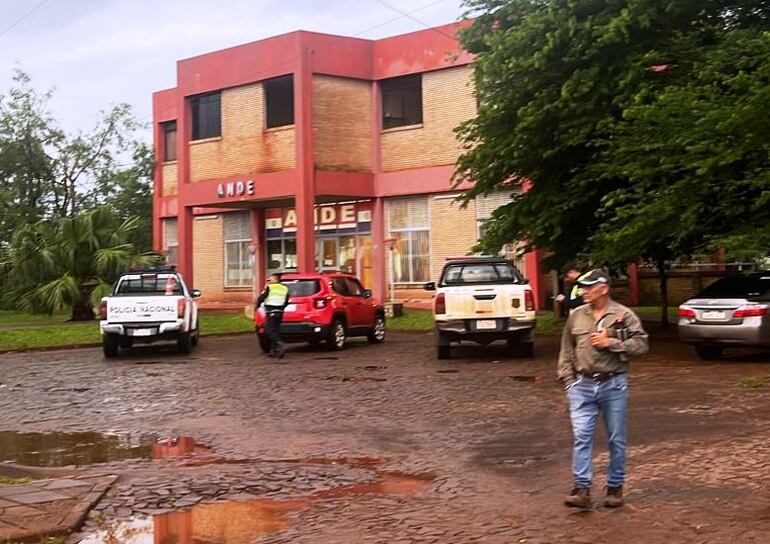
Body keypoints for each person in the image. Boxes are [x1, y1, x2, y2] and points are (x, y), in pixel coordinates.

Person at [557, 269, 649, 509]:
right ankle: (582, 489)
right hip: (582, 385)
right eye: (582, 287)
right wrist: (568, 380)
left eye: (588, 287)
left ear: (604, 288)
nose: (583, 291)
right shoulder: (576, 315)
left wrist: (611, 342)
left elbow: (641, 345)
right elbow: (566, 349)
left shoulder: (623, 315)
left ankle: (615, 488)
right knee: (581, 437)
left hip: (613, 384)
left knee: (616, 438)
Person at [256, 273, 290, 358]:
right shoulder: (284, 288)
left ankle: (280, 344)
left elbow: (261, 298)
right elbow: (286, 301)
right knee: (276, 330)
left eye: (271, 279)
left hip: (271, 311)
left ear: (275, 279)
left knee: (270, 331)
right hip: (280, 312)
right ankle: (274, 351)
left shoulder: (270, 287)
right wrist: (282, 308)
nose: (269, 280)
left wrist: (257, 306)